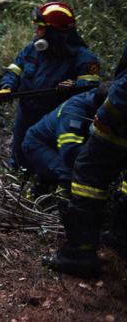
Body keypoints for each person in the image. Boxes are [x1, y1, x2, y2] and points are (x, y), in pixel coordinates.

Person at [42, 40, 127, 278]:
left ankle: (79, 254)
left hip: (121, 121)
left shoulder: (80, 103)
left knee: (88, 174)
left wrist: (109, 112)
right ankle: (121, 236)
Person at [0, 2, 102, 170]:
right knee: (19, 158)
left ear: (54, 33)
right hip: (26, 114)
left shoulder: (83, 58)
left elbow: (93, 88)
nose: (36, 33)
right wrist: (7, 87)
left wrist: (74, 86)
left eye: (40, 29)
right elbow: (14, 71)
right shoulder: (31, 50)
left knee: (48, 160)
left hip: (54, 120)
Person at [21, 83, 111, 198]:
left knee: (48, 182)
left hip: (58, 144)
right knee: (70, 174)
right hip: (39, 144)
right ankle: (59, 208)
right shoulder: (74, 112)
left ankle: (36, 196)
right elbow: (70, 152)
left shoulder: (99, 97)